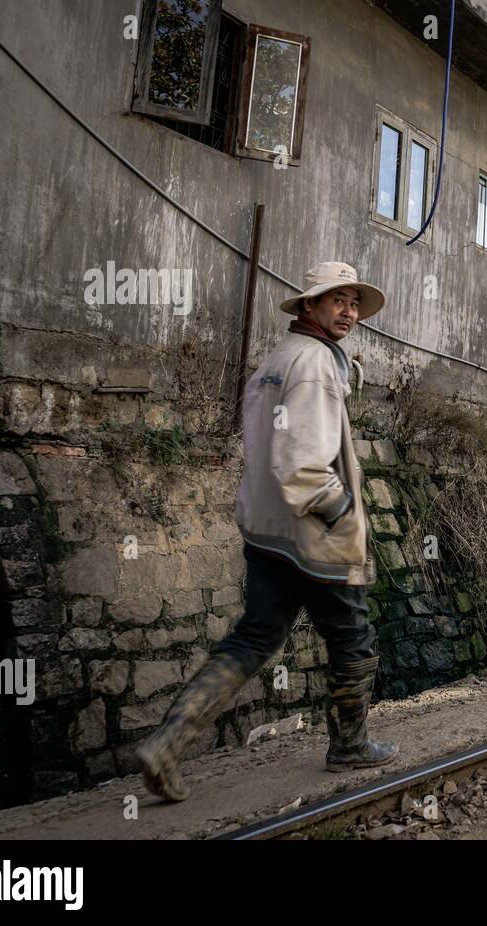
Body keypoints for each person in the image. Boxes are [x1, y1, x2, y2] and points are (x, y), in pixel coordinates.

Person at [137, 261, 397, 802]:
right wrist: (340, 511)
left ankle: (167, 742)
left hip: (265, 528)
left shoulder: (277, 361)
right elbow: (301, 461)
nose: (348, 311)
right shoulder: (315, 364)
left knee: (256, 636)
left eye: (353, 302)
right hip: (311, 533)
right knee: (352, 638)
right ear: (310, 307)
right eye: (337, 301)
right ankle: (350, 745)